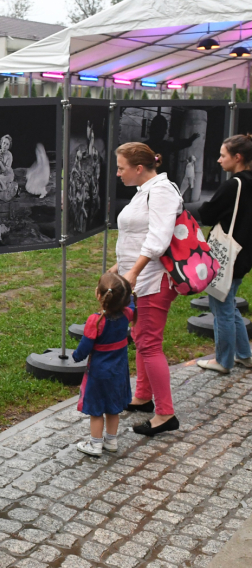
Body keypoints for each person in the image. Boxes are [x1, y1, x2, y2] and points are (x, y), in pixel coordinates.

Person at [112, 142, 183, 436]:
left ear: (139, 168)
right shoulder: (147, 191)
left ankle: (165, 414)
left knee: (149, 344)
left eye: (121, 167)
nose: (118, 173)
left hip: (154, 281)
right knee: (142, 339)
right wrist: (118, 269)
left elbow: (158, 238)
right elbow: (136, 237)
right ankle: (142, 396)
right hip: (139, 279)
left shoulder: (162, 191)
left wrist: (133, 272)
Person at [196, 135, 252, 373]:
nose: (219, 160)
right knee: (228, 303)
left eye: (223, 155)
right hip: (245, 254)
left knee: (221, 307)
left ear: (237, 158)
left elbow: (207, 214)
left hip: (228, 255)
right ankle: (244, 355)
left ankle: (223, 360)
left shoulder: (234, 185)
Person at [73, 272, 135, 456]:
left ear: (99, 296)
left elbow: (84, 348)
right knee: (113, 407)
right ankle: (111, 441)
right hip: (118, 370)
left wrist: (76, 356)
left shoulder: (96, 321)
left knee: (97, 409)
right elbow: (131, 302)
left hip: (99, 373)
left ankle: (95, 444)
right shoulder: (127, 314)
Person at [0, 134, 19, 201]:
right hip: (0, 175)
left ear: (9, 146)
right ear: (1, 143)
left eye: (7, 144)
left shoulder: (9, 155)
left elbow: (6, 171)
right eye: (4, 143)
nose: (5, 146)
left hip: (7, 175)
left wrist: (0, 163)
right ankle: (4, 188)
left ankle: (12, 187)